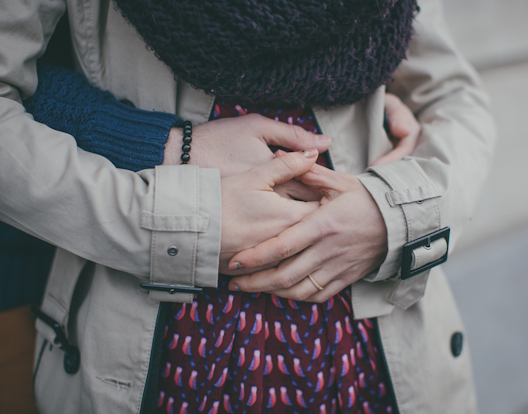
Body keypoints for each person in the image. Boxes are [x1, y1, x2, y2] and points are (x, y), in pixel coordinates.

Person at [0, 0, 495, 413]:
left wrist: (387, 217)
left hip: (367, 329)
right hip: (158, 333)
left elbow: (452, 94)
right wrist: (175, 215)